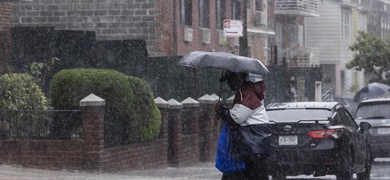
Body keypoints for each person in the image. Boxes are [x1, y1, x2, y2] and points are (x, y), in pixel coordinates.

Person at [215, 70, 272, 180]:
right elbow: (237, 114)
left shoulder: (247, 94)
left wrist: (220, 110)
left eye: (229, 80)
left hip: (253, 148)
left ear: (238, 78)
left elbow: (235, 118)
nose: (228, 83)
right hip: (254, 148)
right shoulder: (245, 93)